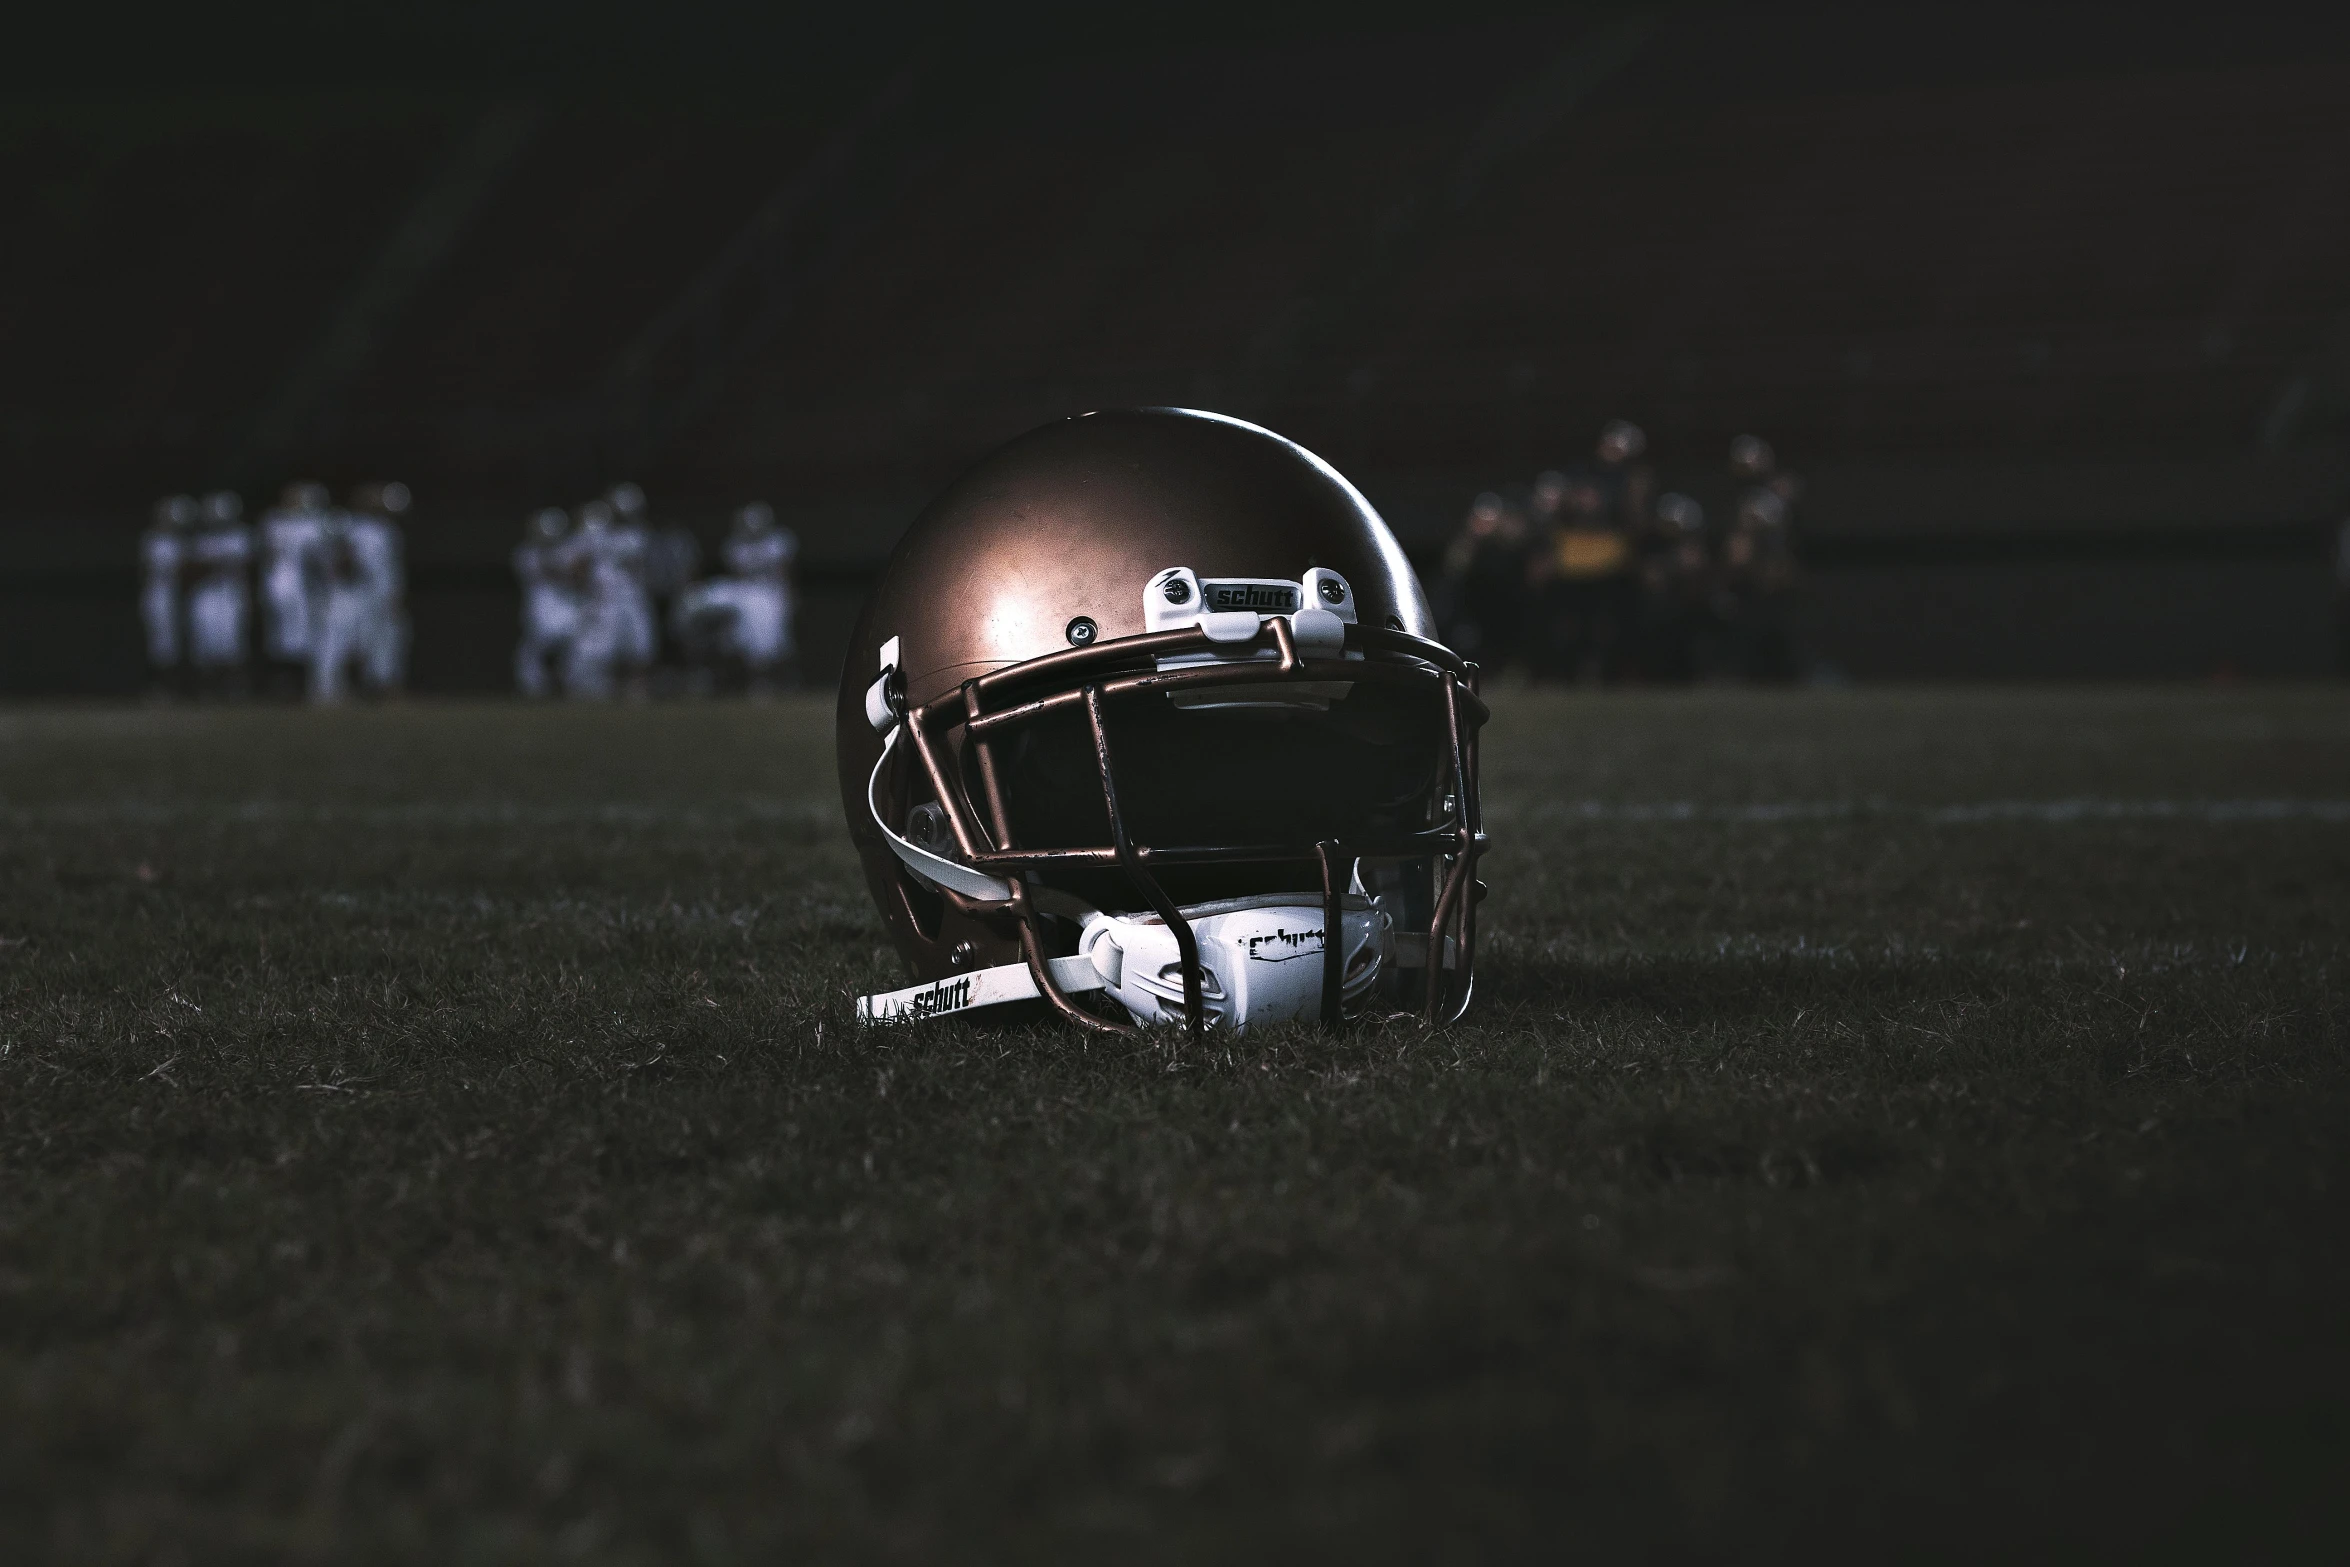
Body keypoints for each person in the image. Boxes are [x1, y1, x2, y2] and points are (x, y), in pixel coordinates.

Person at [677, 501, 801, 694]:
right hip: (746, 593)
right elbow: (736, 578)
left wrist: (789, 595)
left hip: (771, 593)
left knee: (772, 641)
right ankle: (744, 675)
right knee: (698, 603)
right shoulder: (736, 545)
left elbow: (784, 573)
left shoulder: (778, 542)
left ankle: (774, 679)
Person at [1437, 491, 1530, 671]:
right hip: (1469, 605)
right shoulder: (1467, 543)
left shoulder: (1505, 545)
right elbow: (1453, 569)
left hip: (1501, 605)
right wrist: (1472, 540)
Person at [258, 481, 331, 698]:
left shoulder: (312, 524)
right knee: (282, 635)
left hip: (303, 588)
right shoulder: (274, 523)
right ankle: (285, 683)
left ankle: (301, 684)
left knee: (303, 635)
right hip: (283, 585)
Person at [185, 490, 252, 693]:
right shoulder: (198, 539)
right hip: (205, 595)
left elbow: (246, 568)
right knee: (205, 641)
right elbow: (191, 569)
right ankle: (207, 688)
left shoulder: (241, 537)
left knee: (232, 642)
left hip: (231, 594)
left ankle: (234, 688)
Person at [513, 507, 577, 698]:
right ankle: (533, 691)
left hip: (567, 608)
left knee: (572, 653)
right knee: (531, 654)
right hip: (538, 609)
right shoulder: (526, 553)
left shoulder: (568, 550)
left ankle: (567, 688)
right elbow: (545, 570)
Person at [140, 495, 196, 694]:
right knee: (161, 642)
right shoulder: (153, 540)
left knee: (185, 641)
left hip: (180, 597)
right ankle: (162, 686)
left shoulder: (182, 543)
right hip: (159, 596)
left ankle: (183, 686)